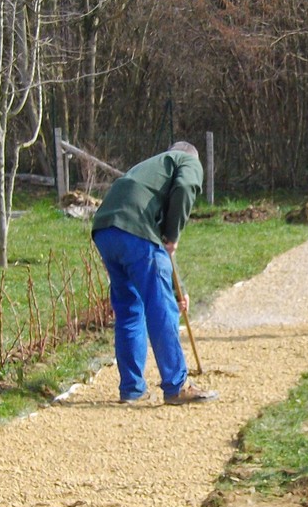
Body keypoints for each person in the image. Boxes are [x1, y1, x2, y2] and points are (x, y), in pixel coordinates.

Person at [91, 142, 217, 405]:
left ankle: (132, 389)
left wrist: (176, 287)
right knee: (161, 309)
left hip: (105, 230)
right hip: (133, 231)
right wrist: (174, 234)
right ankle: (176, 385)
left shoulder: (150, 172)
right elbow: (184, 190)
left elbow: (159, 248)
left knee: (129, 309)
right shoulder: (187, 161)